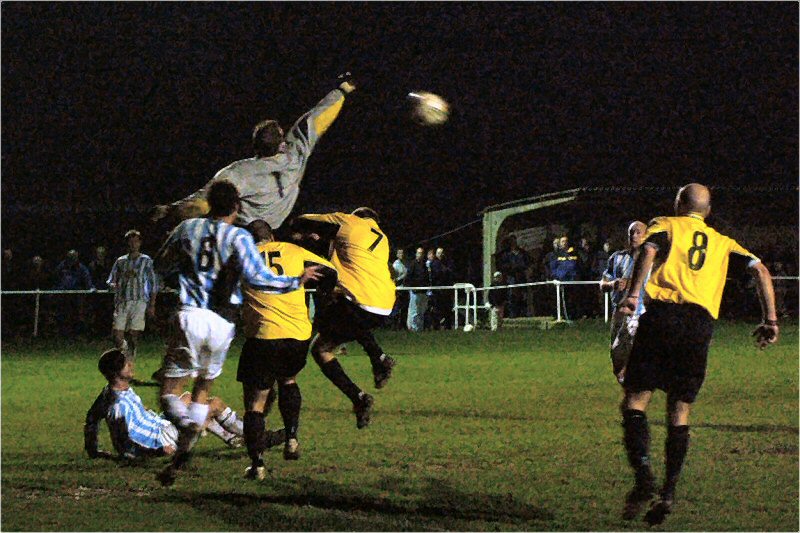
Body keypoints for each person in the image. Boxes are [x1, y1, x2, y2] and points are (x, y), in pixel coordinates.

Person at [616, 183, 779, 525]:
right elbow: (761, 271)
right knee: (680, 408)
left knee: (635, 400)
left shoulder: (666, 224)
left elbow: (648, 252)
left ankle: (644, 477)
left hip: (662, 316)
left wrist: (633, 295)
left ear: (679, 204)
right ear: (707, 210)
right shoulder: (722, 242)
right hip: (699, 325)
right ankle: (669, 492)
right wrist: (770, 320)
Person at [153, 180, 322, 486]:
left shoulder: (186, 229)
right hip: (222, 323)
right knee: (203, 388)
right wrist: (295, 280)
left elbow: (160, 265)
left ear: (208, 205)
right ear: (237, 208)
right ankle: (179, 459)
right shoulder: (238, 237)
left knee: (168, 392)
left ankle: (186, 425)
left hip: (189, 315)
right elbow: (259, 279)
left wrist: (184, 276)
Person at [151, 75, 356, 229]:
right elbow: (316, 120)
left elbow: (203, 202)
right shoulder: (294, 155)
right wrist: (341, 91)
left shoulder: (240, 171)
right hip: (273, 233)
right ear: (281, 140)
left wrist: (171, 209)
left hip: (245, 234)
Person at [238, 220, 337, 479]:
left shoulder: (243, 257)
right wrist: (323, 299)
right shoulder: (293, 250)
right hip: (297, 335)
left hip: (263, 335)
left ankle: (257, 465)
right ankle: (292, 438)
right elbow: (330, 271)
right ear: (271, 235)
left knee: (255, 403)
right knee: (288, 380)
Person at [290, 207, 397, 428]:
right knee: (345, 317)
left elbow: (306, 218)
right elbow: (344, 257)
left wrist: (296, 228)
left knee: (320, 348)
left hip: (361, 300)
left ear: (355, 216)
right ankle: (378, 359)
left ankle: (361, 393)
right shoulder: (382, 239)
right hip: (385, 303)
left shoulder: (349, 222)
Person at [84, 348, 250, 461]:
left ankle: (231, 438)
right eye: (127, 364)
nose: (131, 365)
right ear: (116, 372)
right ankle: (254, 435)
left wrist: (93, 451)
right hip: (162, 438)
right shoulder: (118, 405)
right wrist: (159, 450)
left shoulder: (109, 392)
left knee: (188, 398)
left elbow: (91, 418)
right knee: (213, 404)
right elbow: (127, 442)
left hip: (159, 426)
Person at [600, 221, 648, 384]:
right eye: (631, 233)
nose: (634, 235)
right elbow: (602, 284)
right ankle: (624, 374)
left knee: (635, 347)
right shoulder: (617, 257)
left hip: (641, 311)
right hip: (619, 311)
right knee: (616, 352)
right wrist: (612, 285)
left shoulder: (651, 260)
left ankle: (636, 380)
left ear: (646, 235)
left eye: (638, 232)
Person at [107, 230, 159, 362]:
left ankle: (129, 363)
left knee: (133, 334)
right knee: (116, 335)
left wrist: (152, 304)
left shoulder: (146, 260)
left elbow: (153, 283)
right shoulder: (121, 261)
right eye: (130, 241)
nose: (133, 244)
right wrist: (114, 285)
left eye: (136, 241)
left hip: (139, 301)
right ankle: (125, 351)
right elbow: (111, 280)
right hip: (122, 301)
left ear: (140, 243)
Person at [405, 247, 429, 332]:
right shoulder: (413, 264)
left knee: (421, 311)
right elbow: (408, 277)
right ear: (416, 254)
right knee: (414, 311)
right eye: (418, 253)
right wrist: (412, 287)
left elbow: (426, 277)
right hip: (415, 292)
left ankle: (420, 328)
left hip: (423, 292)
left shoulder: (424, 265)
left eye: (421, 253)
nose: (420, 255)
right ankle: (413, 328)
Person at [390, 249, 409, 330]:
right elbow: (394, 278)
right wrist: (401, 278)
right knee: (397, 308)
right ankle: (394, 326)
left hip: (405, 289)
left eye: (403, 253)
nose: (402, 254)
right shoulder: (395, 265)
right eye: (400, 253)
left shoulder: (406, 264)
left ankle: (403, 325)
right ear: (397, 255)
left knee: (404, 308)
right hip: (398, 290)